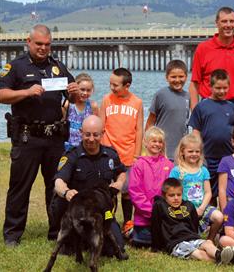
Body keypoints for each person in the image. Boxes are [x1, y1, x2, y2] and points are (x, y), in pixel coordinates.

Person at [0, 24, 79, 246]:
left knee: (56, 186)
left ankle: (56, 233)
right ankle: (12, 235)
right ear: (29, 42)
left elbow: (72, 95)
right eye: (39, 44)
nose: (43, 48)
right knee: (20, 187)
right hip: (27, 137)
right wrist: (26, 91)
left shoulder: (58, 67)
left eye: (47, 44)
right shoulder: (15, 67)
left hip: (54, 137)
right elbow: (0, 94)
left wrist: (74, 92)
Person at [51, 115, 126, 255]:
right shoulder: (71, 156)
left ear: (102, 133)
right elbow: (58, 182)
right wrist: (66, 192)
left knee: (115, 249)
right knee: (69, 250)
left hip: (101, 213)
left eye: (96, 135)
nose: (91, 139)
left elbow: (121, 172)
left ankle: (90, 239)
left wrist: (120, 182)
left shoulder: (111, 155)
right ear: (81, 132)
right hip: (78, 213)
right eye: (87, 134)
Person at [151, 178, 234, 265]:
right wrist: (156, 248)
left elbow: (194, 225)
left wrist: (196, 238)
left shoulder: (188, 205)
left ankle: (220, 255)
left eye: (179, 195)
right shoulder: (160, 206)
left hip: (193, 238)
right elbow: (156, 226)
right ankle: (231, 261)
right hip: (176, 243)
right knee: (198, 253)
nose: (176, 198)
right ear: (164, 195)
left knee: (208, 244)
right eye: (171, 195)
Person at [100, 67, 143, 232]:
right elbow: (101, 125)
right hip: (108, 153)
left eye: (115, 85)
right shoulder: (106, 100)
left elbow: (139, 129)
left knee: (127, 191)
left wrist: (137, 154)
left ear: (127, 85)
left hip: (128, 154)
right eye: (110, 84)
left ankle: (127, 222)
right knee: (108, 191)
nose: (112, 87)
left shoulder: (137, 102)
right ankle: (108, 222)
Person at [189, 6, 234, 108]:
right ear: (217, 23)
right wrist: (194, 111)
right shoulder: (203, 48)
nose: (228, 25)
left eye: (232, 21)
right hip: (209, 105)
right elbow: (194, 84)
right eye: (224, 21)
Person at [189, 69, 234, 203]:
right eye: (218, 88)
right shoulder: (201, 106)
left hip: (227, 157)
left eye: (225, 88)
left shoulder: (232, 107)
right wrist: (198, 154)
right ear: (210, 87)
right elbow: (196, 132)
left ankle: (227, 220)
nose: (222, 91)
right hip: (208, 157)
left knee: (228, 193)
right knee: (208, 192)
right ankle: (209, 221)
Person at [169, 134, 223, 241]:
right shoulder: (177, 171)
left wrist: (202, 208)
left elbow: (208, 192)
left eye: (197, 151)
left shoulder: (203, 171)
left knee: (219, 217)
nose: (194, 154)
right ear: (182, 152)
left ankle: (210, 240)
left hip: (202, 208)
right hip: (183, 209)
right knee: (189, 238)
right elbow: (172, 193)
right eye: (190, 151)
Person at [128, 126, 174, 247]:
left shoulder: (169, 165)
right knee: (144, 243)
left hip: (164, 218)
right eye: (154, 141)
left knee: (164, 244)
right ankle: (132, 231)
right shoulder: (139, 164)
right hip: (143, 220)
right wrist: (152, 212)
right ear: (145, 142)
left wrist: (163, 212)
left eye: (160, 141)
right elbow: (135, 192)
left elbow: (172, 190)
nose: (157, 144)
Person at [145, 60, 190, 161]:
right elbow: (150, 122)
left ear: (186, 76)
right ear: (167, 77)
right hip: (162, 151)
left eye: (181, 76)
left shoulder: (188, 96)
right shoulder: (160, 95)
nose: (177, 80)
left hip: (181, 152)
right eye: (173, 77)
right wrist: (148, 145)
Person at [63, 72, 99, 151]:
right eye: (82, 90)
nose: (85, 93)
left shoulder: (93, 106)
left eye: (88, 90)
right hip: (67, 146)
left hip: (85, 148)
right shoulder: (68, 104)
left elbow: (97, 128)